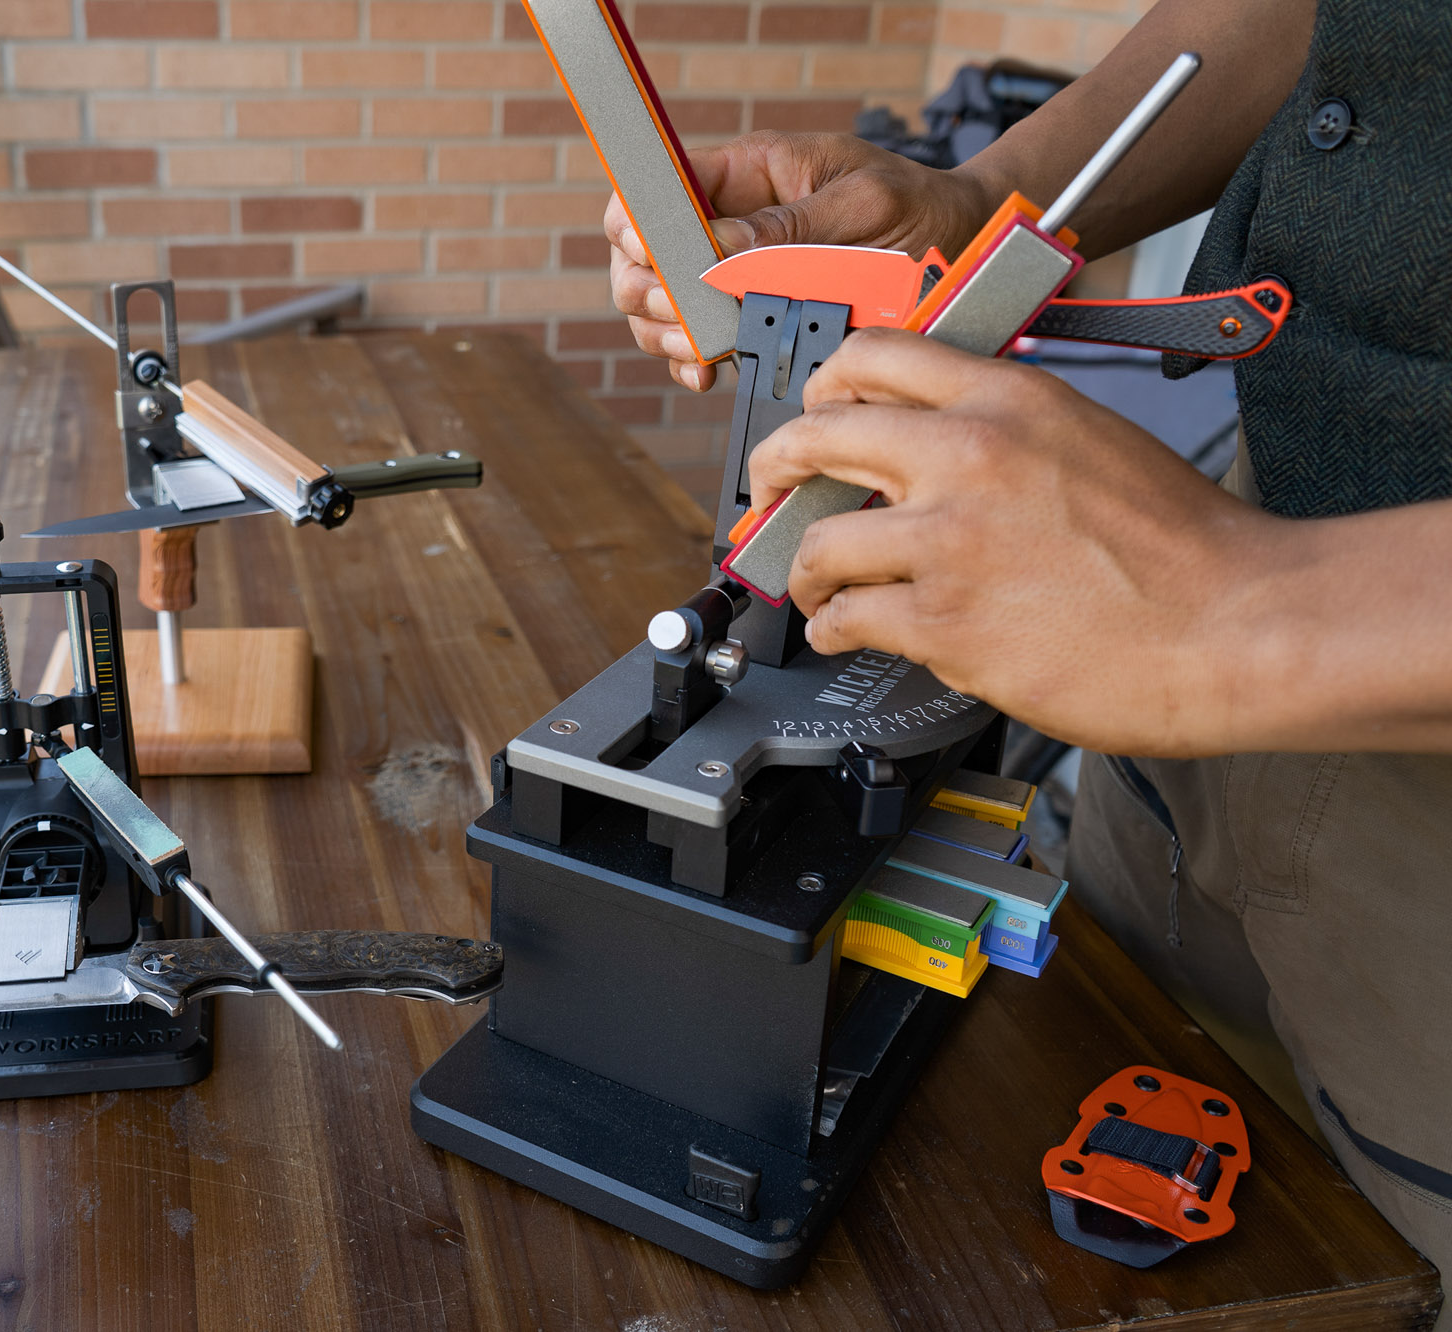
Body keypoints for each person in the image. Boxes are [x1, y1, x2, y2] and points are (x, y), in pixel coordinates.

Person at [608, 0, 1452, 1296]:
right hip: (1195, 650)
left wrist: (1246, 611)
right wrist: (982, 203)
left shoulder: (1223, 610)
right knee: (1049, 1078)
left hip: (1381, 755)